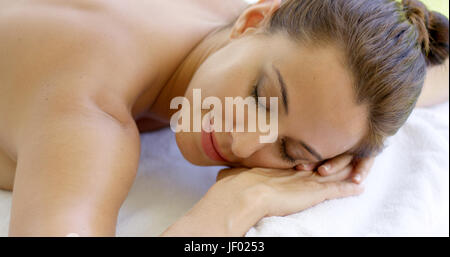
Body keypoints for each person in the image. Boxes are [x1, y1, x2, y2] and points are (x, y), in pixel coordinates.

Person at [0, 0, 447, 236]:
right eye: (263, 98)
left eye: (289, 150)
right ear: (253, 19)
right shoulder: (88, 120)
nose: (246, 142)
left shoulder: (259, 28)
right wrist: (232, 209)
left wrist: (369, 135)